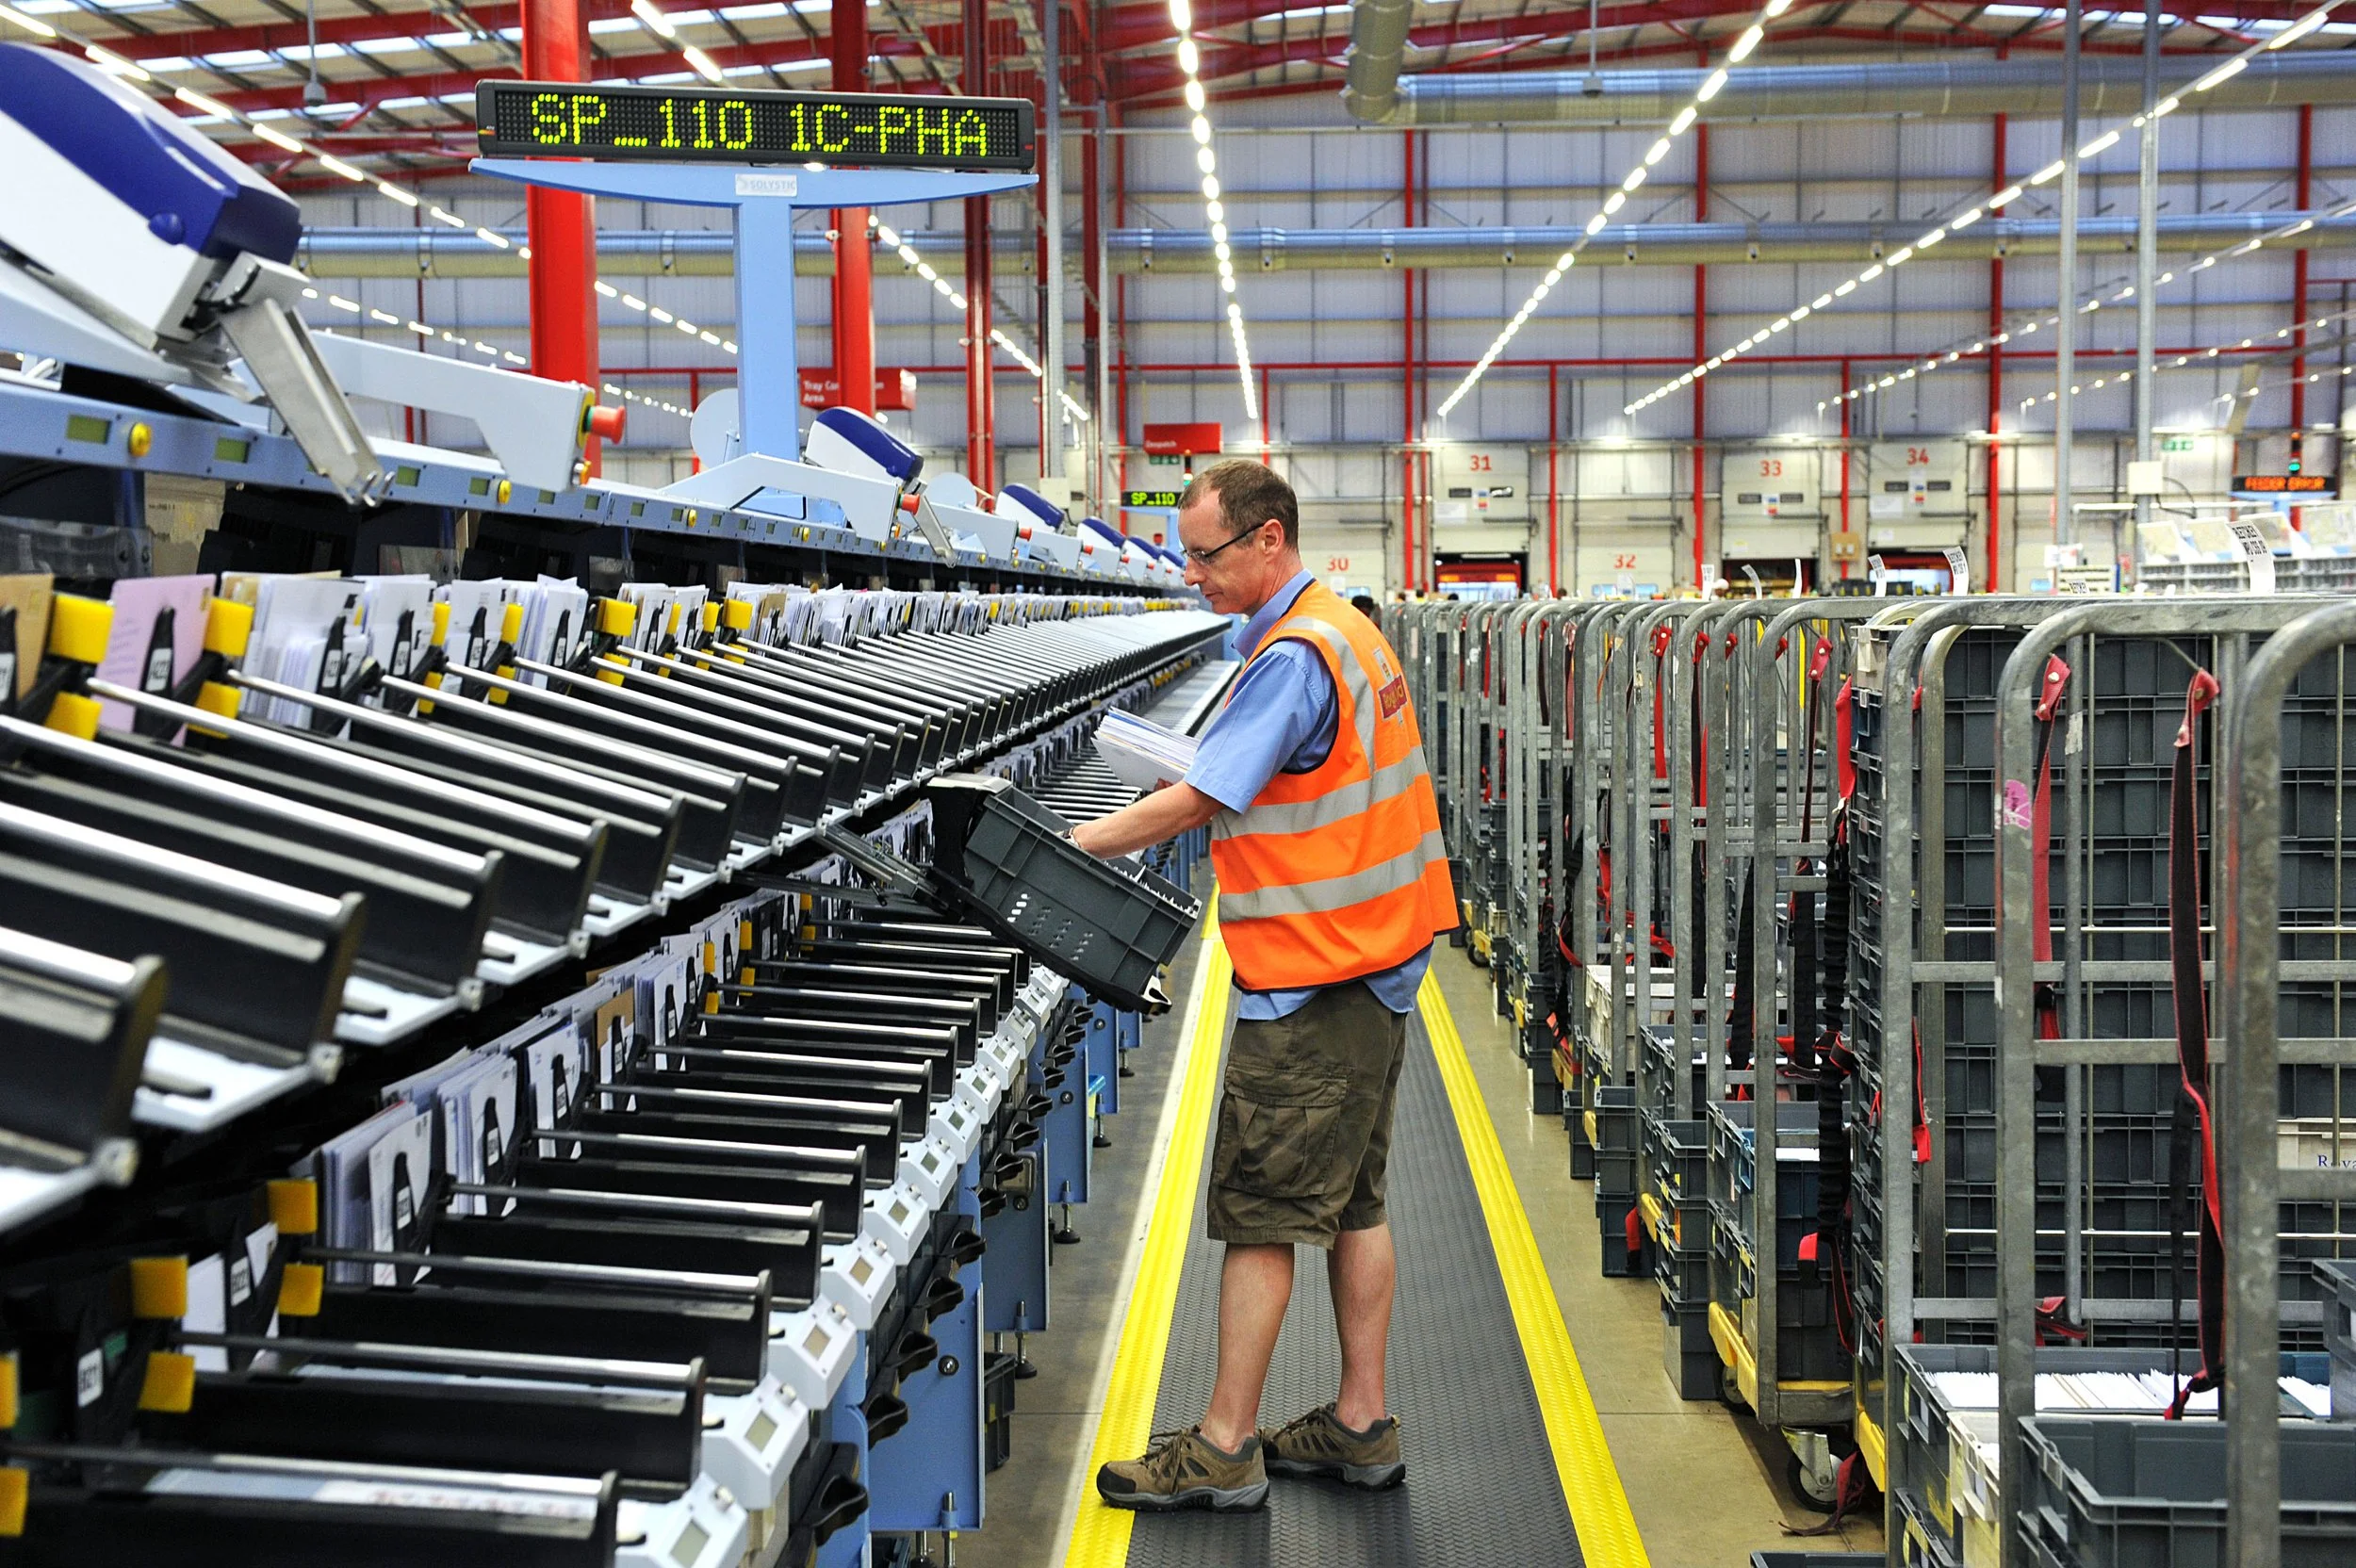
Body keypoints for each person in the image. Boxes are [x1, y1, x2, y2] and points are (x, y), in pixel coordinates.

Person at [1072, 459, 1456, 1512]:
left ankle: (1226, 1443)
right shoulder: (1341, 625)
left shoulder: (1295, 654)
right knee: (1353, 1199)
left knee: (1261, 1212)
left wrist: (1070, 841)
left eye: (1206, 554)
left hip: (1313, 973)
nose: (1191, 572)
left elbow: (1203, 799)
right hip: (1373, 960)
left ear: (1269, 539)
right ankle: (1360, 1421)